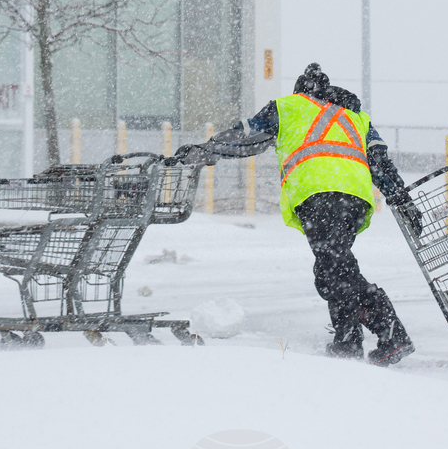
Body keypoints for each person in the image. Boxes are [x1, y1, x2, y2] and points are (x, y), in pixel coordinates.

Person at [174, 63, 423, 367]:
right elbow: (381, 164)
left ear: (300, 91)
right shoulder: (356, 117)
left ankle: (385, 334)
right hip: (354, 200)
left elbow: (246, 137)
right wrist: (402, 200)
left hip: (319, 195)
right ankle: (350, 340)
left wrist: (206, 149)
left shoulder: (288, 107)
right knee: (333, 268)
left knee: (336, 270)